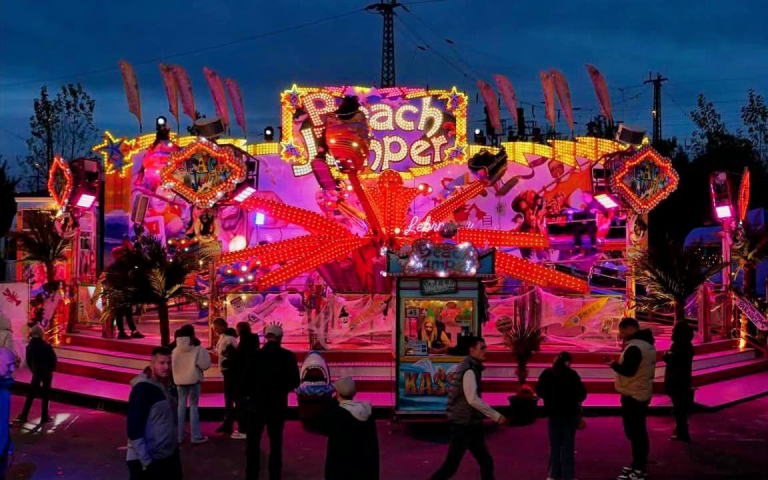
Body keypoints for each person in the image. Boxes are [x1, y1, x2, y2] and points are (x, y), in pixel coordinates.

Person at [431, 336, 507, 480]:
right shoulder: (469, 370)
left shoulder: (470, 367)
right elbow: (472, 399)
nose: (485, 351)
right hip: (463, 424)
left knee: (485, 462)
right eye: (482, 348)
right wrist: (496, 416)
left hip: (469, 423)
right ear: (472, 350)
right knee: (451, 467)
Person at [246, 323, 300, 480]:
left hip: (256, 405)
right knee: (276, 444)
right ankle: (275, 475)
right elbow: (295, 381)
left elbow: (245, 381)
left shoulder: (254, 356)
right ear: (280, 338)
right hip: (277, 405)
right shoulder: (287, 356)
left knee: (253, 443)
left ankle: (252, 474)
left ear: (265, 337)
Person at [608, 318, 656, 480]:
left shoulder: (635, 347)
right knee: (638, 431)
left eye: (621, 330)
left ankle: (639, 468)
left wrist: (613, 364)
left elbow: (628, 371)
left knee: (636, 433)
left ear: (629, 329)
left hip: (634, 394)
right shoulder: (646, 344)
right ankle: (637, 464)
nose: (620, 334)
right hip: (639, 391)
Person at [126, 347, 182, 480]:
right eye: (161, 363)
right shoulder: (142, 389)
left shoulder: (169, 386)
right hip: (148, 459)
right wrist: (147, 462)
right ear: (152, 364)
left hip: (168, 454)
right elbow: (134, 428)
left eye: (169, 363)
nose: (166, 367)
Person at [535, 352, 587, 480]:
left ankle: (553, 474)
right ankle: (568, 475)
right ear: (568, 363)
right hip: (569, 414)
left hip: (553, 413)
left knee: (554, 445)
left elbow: (539, 390)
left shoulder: (547, 373)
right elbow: (581, 394)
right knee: (568, 446)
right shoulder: (572, 374)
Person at [315, 377, 379, 480]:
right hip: (364, 469)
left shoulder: (337, 414)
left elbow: (321, 424)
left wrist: (332, 402)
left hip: (341, 470)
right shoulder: (367, 412)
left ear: (337, 394)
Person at [171, 325, 211, 444]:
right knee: (194, 407)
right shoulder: (197, 348)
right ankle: (195, 436)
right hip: (194, 380)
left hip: (180, 381)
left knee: (181, 406)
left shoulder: (175, 350)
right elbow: (205, 364)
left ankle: (179, 436)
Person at [15, 326, 56, 424]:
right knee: (46, 394)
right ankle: (44, 416)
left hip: (37, 372)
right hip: (46, 372)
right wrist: (51, 369)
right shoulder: (46, 346)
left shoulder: (30, 346)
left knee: (31, 395)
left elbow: (29, 361)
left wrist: (33, 370)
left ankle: (24, 415)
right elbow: (53, 359)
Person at [664, 322, 695, 442]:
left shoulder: (678, 346)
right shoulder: (688, 345)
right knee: (680, 406)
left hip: (676, 379)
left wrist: (666, 357)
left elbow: (675, 362)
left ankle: (682, 431)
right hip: (684, 379)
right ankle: (681, 429)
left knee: (679, 407)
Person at [212, 318, 240, 437]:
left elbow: (230, 353)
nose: (215, 330)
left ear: (222, 326)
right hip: (226, 369)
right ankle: (228, 422)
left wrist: (221, 353)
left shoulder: (229, 339)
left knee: (231, 397)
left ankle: (230, 422)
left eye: (216, 327)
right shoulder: (224, 337)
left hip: (230, 370)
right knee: (230, 398)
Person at [234, 322, 260, 438]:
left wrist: (231, 353)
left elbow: (239, 359)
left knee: (241, 404)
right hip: (252, 377)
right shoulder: (254, 341)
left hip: (242, 377)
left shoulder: (244, 343)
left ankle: (243, 429)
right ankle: (251, 427)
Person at [572, 191, 608, 255]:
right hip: (589, 223)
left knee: (591, 228)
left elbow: (593, 214)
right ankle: (577, 247)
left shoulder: (595, 204)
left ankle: (594, 247)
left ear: (589, 196)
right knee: (577, 229)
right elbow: (586, 214)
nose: (583, 198)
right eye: (582, 197)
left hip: (596, 223)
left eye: (584, 196)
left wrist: (586, 220)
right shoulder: (587, 206)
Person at [0, 348, 16, 480]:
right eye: (9, 364)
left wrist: (8, 443)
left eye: (14, 364)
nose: (13, 369)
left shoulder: (5, 389)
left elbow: (4, 421)